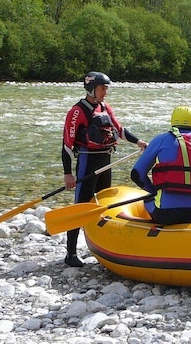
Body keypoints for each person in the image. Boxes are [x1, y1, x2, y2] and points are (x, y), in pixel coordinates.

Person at [61, 71, 148, 267]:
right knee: (81, 207)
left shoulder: (105, 108)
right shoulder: (77, 112)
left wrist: (138, 141)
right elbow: (67, 145)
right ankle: (71, 253)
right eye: (102, 89)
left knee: (102, 204)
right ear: (91, 89)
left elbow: (119, 130)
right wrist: (68, 174)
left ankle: (100, 246)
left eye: (106, 89)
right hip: (87, 162)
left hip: (105, 161)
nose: (105, 93)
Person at [130, 106, 191, 226]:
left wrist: (154, 190)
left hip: (166, 213)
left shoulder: (161, 139)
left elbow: (137, 174)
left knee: (147, 200)